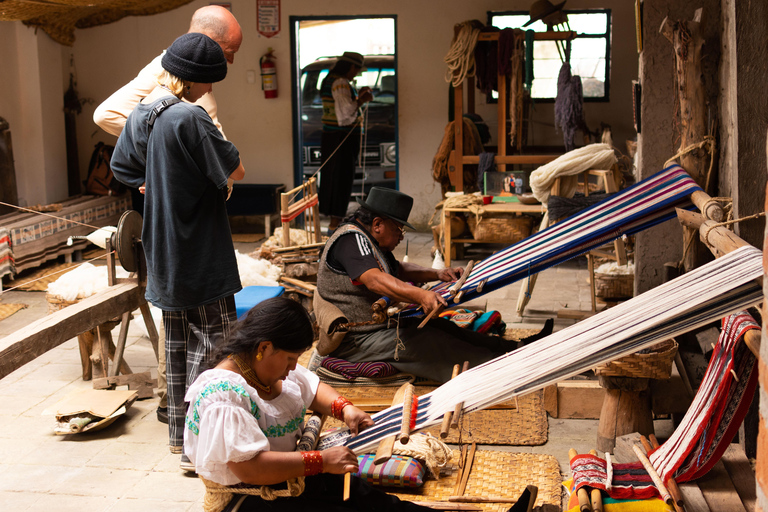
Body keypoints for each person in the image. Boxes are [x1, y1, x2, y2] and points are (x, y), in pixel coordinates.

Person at [185, 297, 536, 512]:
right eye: (291, 357)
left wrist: (345, 409)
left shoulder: (265, 367)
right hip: (249, 498)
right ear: (263, 348)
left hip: (290, 476)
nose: (295, 366)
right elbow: (250, 470)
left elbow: (310, 386)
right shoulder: (223, 396)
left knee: (377, 502)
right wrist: (321, 460)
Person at [92, 4, 242, 426]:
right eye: (213, 74)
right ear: (198, 77)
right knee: (216, 347)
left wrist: (152, 177)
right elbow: (230, 170)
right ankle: (209, 437)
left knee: (176, 348)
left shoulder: (145, 112)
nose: (213, 83)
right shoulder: (191, 117)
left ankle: (180, 438)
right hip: (201, 254)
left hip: (163, 254)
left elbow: (122, 167)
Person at [315, 187, 516, 383]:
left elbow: (398, 269)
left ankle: (512, 348)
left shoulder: (371, 242)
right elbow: (375, 279)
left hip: (377, 329)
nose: (401, 237)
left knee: (442, 327)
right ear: (377, 224)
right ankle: (502, 368)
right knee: (428, 343)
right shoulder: (351, 240)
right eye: (398, 229)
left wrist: (438, 273)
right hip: (356, 342)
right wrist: (421, 296)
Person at [318, 51, 374, 235]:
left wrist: (357, 98)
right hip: (341, 139)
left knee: (333, 178)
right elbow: (345, 116)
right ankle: (335, 225)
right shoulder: (341, 83)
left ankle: (334, 223)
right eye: (357, 70)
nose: (356, 74)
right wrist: (361, 100)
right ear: (351, 67)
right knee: (341, 179)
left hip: (332, 138)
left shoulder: (329, 80)